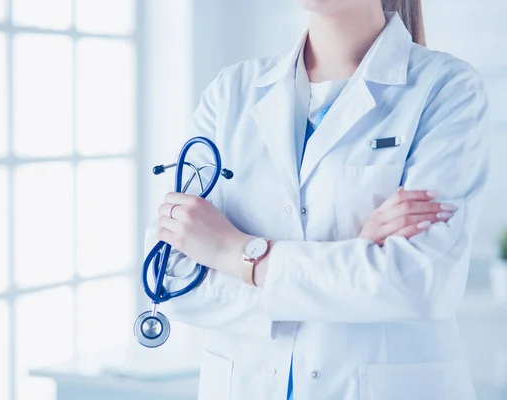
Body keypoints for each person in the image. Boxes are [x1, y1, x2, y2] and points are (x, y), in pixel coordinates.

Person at [146, 0, 488, 398]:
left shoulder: (446, 89)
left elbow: (419, 282)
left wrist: (234, 253)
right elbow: (169, 278)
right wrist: (355, 264)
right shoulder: (230, 93)